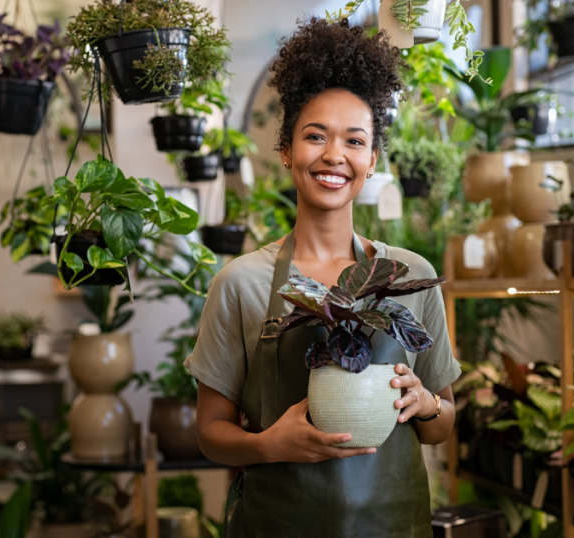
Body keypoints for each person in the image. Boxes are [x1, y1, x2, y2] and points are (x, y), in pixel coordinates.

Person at [183, 18, 462, 538]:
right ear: (287, 150)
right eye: (316, 136)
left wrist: (425, 402)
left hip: (394, 526)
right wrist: (270, 445)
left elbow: (443, 426)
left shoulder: (410, 276)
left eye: (354, 141)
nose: (335, 155)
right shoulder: (241, 283)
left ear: (372, 160)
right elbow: (210, 433)